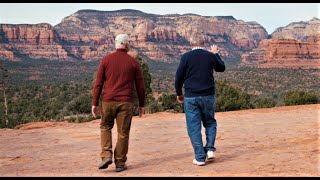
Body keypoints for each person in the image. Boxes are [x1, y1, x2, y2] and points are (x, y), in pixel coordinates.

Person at [91, 33, 145, 172]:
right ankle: (120, 163)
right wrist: (141, 105)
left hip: (108, 101)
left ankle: (106, 155)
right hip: (126, 103)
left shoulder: (106, 59)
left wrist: (94, 103)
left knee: (105, 127)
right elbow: (140, 86)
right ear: (126, 45)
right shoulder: (133, 62)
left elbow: (98, 83)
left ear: (116, 44)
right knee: (123, 133)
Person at [175, 32, 225, 166]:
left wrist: (179, 93)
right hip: (208, 95)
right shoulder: (209, 55)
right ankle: (209, 149)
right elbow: (221, 68)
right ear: (203, 43)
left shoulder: (185, 57)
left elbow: (178, 77)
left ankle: (200, 157)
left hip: (191, 96)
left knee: (193, 127)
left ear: (191, 43)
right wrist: (215, 54)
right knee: (210, 122)